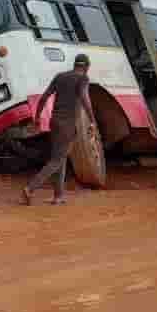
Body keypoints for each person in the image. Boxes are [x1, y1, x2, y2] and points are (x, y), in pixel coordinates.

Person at [23, 54, 97, 206]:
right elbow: (84, 98)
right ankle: (30, 188)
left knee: (60, 158)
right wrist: (93, 121)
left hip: (55, 123)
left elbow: (44, 97)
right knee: (57, 160)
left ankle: (58, 196)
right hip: (68, 125)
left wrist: (37, 118)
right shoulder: (83, 79)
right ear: (87, 67)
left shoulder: (60, 76)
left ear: (75, 64)